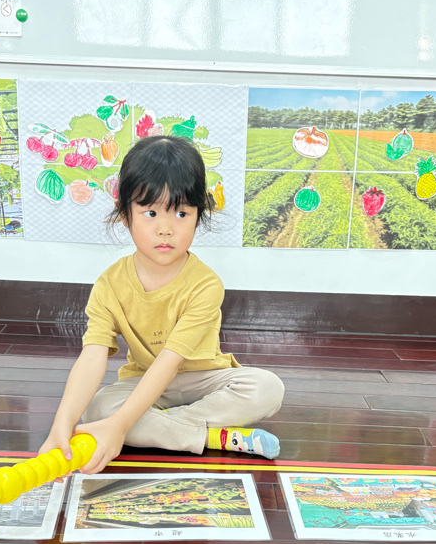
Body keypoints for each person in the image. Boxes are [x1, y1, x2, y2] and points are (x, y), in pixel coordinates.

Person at [37, 135, 285, 475]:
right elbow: (92, 355)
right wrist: (61, 425)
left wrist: (121, 425)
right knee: (98, 408)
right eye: (151, 212)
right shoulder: (110, 283)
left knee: (267, 389)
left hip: (205, 379)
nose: (165, 229)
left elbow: (171, 361)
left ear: (199, 216)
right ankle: (215, 437)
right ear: (126, 215)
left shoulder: (206, 284)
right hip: (145, 383)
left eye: (181, 213)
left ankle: (153, 428)